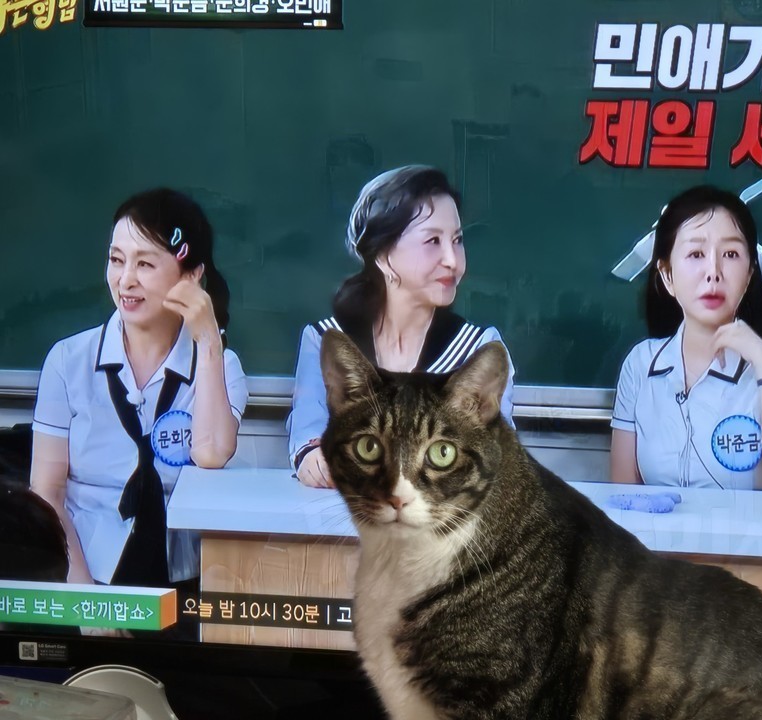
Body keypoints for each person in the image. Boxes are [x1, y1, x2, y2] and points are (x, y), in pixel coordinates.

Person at [30, 188, 248, 590]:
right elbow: (47, 492)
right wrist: (85, 599)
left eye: (145, 263)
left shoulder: (221, 366)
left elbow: (211, 453)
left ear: (191, 275)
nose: (125, 280)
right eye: (116, 260)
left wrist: (208, 340)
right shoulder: (67, 361)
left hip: (187, 577)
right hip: (84, 571)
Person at [287, 165, 517, 487]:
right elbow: (308, 433)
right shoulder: (327, 338)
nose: (452, 260)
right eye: (433, 241)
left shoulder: (476, 348)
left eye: (457, 240)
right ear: (383, 255)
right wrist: (312, 456)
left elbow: (497, 458)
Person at [610, 185, 762, 490]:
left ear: (749, 274)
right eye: (695, 254)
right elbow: (623, 492)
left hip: (746, 526)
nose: (713, 272)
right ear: (667, 275)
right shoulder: (641, 364)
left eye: (731, 254)